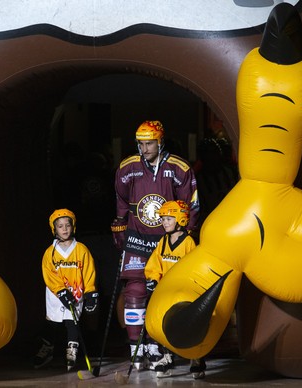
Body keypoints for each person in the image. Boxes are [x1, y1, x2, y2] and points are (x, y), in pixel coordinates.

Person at [111, 120, 199, 371]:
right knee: (136, 291)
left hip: (165, 242)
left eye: (149, 143)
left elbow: (190, 203)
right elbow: (120, 197)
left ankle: (157, 343)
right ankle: (136, 347)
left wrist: (186, 234)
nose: (144, 148)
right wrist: (119, 223)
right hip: (137, 238)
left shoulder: (179, 168)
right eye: (141, 143)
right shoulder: (128, 167)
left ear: (160, 141)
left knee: (166, 292)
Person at [144, 200, 205, 379]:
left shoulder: (188, 243)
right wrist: (153, 279)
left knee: (188, 327)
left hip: (184, 293)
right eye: (163, 218)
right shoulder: (163, 241)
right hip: (165, 293)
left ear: (181, 219)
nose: (165, 222)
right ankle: (167, 357)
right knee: (163, 324)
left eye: (169, 218)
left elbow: (194, 268)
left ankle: (196, 359)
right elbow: (154, 265)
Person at [33, 209, 99, 371]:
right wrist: (61, 291)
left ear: (73, 226)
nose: (64, 229)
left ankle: (71, 351)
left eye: (67, 225)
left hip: (75, 292)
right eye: (60, 226)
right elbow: (49, 274)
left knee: (72, 323)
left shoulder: (81, 249)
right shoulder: (50, 252)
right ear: (54, 229)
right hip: (56, 294)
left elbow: (89, 272)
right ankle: (47, 350)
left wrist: (90, 293)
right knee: (52, 323)